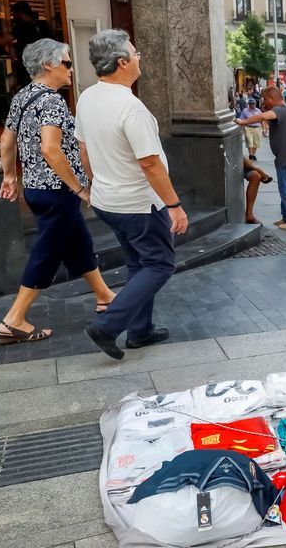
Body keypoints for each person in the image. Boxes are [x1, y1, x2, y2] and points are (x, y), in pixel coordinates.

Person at [0, 38, 116, 345]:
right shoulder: (51, 101)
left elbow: (6, 142)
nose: (72, 69)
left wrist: (10, 176)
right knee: (46, 253)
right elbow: (51, 149)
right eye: (67, 63)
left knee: (78, 242)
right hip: (57, 191)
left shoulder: (23, 96)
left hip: (37, 190)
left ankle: (104, 296)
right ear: (49, 65)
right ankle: (14, 320)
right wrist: (79, 188)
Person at [77, 29, 188, 360]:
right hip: (138, 204)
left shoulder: (87, 97)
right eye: (136, 54)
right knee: (160, 264)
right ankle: (108, 326)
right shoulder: (130, 107)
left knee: (138, 264)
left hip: (108, 201)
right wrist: (174, 205)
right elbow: (151, 164)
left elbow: (84, 150)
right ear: (122, 62)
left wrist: (97, 182)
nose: (140, 59)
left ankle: (140, 331)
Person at [235, 86, 286, 230]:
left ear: (273, 98)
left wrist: (243, 122)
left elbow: (263, 116)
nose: (264, 102)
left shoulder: (279, 110)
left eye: (265, 99)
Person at [242, 157, 272, 225]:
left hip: (235, 161)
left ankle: (249, 215)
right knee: (244, 159)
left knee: (255, 176)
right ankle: (261, 172)